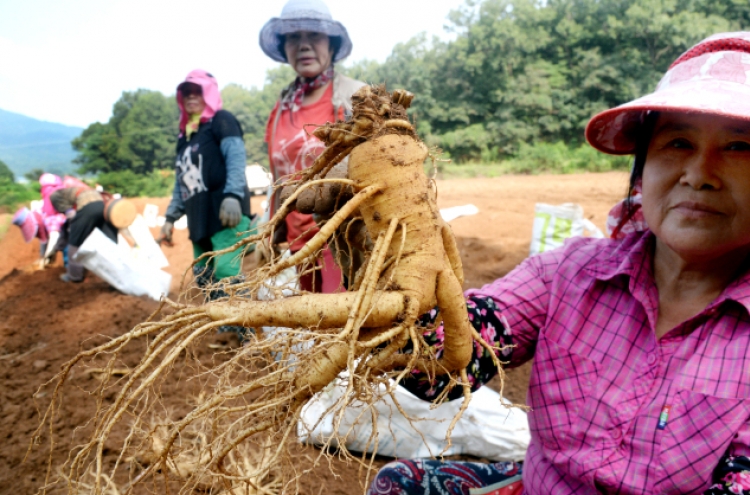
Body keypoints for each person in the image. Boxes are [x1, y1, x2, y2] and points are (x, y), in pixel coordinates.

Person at [361, 32, 750, 495]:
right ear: (642, 169)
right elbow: (444, 369)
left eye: (739, 148)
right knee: (401, 484)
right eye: (679, 142)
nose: (699, 175)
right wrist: (382, 276)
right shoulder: (568, 275)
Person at [259, 0, 365, 293]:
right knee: (317, 325)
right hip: (299, 242)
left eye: (314, 36)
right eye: (293, 37)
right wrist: (271, 228)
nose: (303, 45)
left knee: (343, 321)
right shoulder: (282, 106)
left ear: (331, 45)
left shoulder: (355, 95)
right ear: (284, 48)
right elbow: (279, 176)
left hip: (341, 234)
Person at [160, 69, 254, 300]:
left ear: (209, 94)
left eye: (197, 92)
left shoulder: (222, 121)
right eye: (187, 93)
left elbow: (235, 158)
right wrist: (170, 217)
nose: (191, 96)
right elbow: (181, 179)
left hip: (225, 213)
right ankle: (224, 330)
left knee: (225, 271)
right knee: (203, 274)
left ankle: (244, 331)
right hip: (199, 218)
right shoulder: (186, 136)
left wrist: (233, 194)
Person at [50, 186, 126, 282]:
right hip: (105, 208)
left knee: (75, 242)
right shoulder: (85, 190)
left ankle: (74, 276)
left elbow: (53, 196)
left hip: (88, 207)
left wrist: (68, 211)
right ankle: (117, 275)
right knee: (110, 243)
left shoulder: (59, 194)